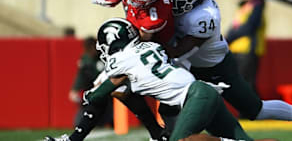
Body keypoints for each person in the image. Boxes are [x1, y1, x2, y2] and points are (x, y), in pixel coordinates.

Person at [165, 0, 292, 141]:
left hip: (217, 70)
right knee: (173, 107)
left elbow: (180, 51)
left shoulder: (204, 16)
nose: (173, 4)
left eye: (178, 0)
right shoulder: (190, 8)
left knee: (255, 109)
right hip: (195, 67)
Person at [69, 18, 276, 141]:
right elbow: (126, 90)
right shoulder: (149, 47)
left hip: (194, 97)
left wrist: (88, 94)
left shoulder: (121, 61)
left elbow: (100, 94)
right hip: (200, 92)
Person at [47, 0, 174, 141]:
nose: (132, 0)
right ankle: (157, 133)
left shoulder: (156, 16)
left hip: (157, 48)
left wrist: (115, 70)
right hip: (136, 40)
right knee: (119, 89)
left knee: (112, 86)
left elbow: (140, 48)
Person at [226, 0, 266, 93]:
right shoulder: (245, 6)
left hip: (248, 50)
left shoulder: (257, 7)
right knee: (242, 84)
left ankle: (253, 110)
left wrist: (229, 38)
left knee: (247, 84)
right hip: (238, 49)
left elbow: (249, 27)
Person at [68, 37, 112, 127]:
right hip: (90, 90)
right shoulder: (86, 59)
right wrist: (74, 89)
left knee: (107, 112)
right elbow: (81, 76)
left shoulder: (105, 56)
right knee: (81, 118)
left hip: (107, 89)